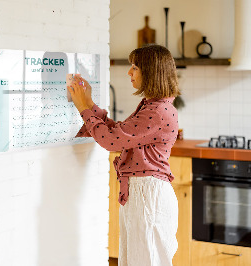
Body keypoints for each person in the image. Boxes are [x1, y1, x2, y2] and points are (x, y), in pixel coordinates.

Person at [68, 44, 180, 266]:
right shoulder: (153, 106)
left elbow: (111, 141)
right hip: (143, 193)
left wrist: (83, 108)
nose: (129, 72)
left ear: (151, 72)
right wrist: (89, 103)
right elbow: (119, 133)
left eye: (135, 67)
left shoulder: (157, 111)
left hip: (148, 195)